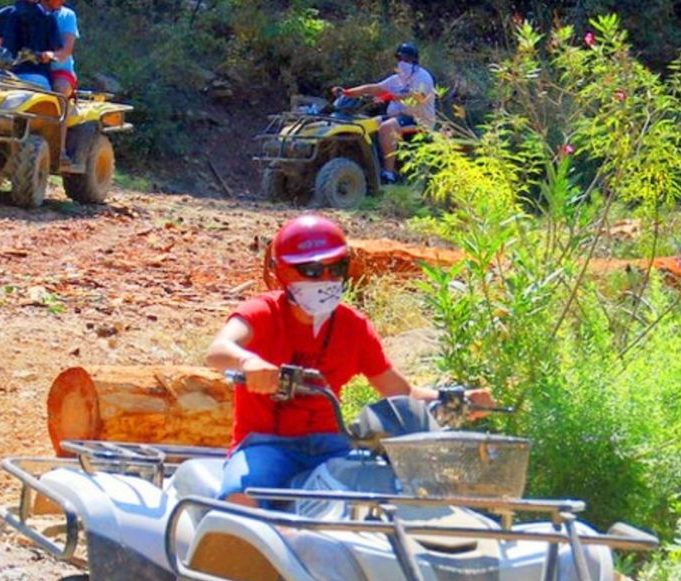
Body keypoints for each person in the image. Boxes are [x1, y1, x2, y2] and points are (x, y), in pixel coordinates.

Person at [206, 214, 493, 506]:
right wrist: (248, 363)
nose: (327, 279)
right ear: (283, 272)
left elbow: (402, 394)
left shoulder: (353, 326)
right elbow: (219, 349)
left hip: (332, 446)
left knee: (386, 492)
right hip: (267, 444)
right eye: (312, 270)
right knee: (242, 495)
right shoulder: (264, 312)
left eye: (337, 268)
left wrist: (459, 402)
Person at [333, 42, 436, 185]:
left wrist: (393, 96)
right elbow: (373, 88)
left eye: (406, 59)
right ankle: (372, 166)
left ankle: (388, 174)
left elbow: (420, 97)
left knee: (387, 127)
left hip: (420, 122)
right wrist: (347, 92)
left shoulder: (423, 77)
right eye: (400, 59)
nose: (402, 62)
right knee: (366, 125)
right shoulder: (397, 79)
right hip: (398, 118)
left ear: (414, 61)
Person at [41, 0, 80, 100]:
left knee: (61, 88)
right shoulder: (29, 11)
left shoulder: (67, 15)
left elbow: (66, 51)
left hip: (59, 70)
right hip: (32, 68)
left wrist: (50, 55)